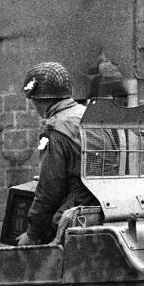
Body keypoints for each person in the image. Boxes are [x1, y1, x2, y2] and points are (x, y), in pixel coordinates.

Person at [15, 61, 98, 246]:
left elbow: (49, 188)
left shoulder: (54, 130)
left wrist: (32, 233)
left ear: (41, 100)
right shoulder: (88, 115)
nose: (35, 108)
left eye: (34, 101)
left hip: (76, 210)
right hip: (102, 204)